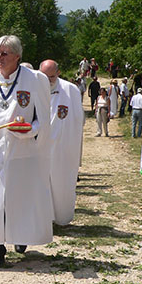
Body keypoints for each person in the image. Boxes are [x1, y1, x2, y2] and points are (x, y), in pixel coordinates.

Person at [0, 35, 52, 269]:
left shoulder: (35, 80)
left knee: (20, 197)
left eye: (5, 53)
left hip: (21, 151)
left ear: (17, 56)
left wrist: (27, 131)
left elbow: (42, 121)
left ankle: (21, 237)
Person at [39, 60, 84, 225]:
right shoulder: (33, 88)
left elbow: (77, 120)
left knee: (61, 183)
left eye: (51, 77)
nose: (47, 81)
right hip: (38, 146)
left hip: (61, 146)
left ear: (58, 73)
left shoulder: (70, 90)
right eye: (44, 76)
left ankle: (60, 218)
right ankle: (42, 218)